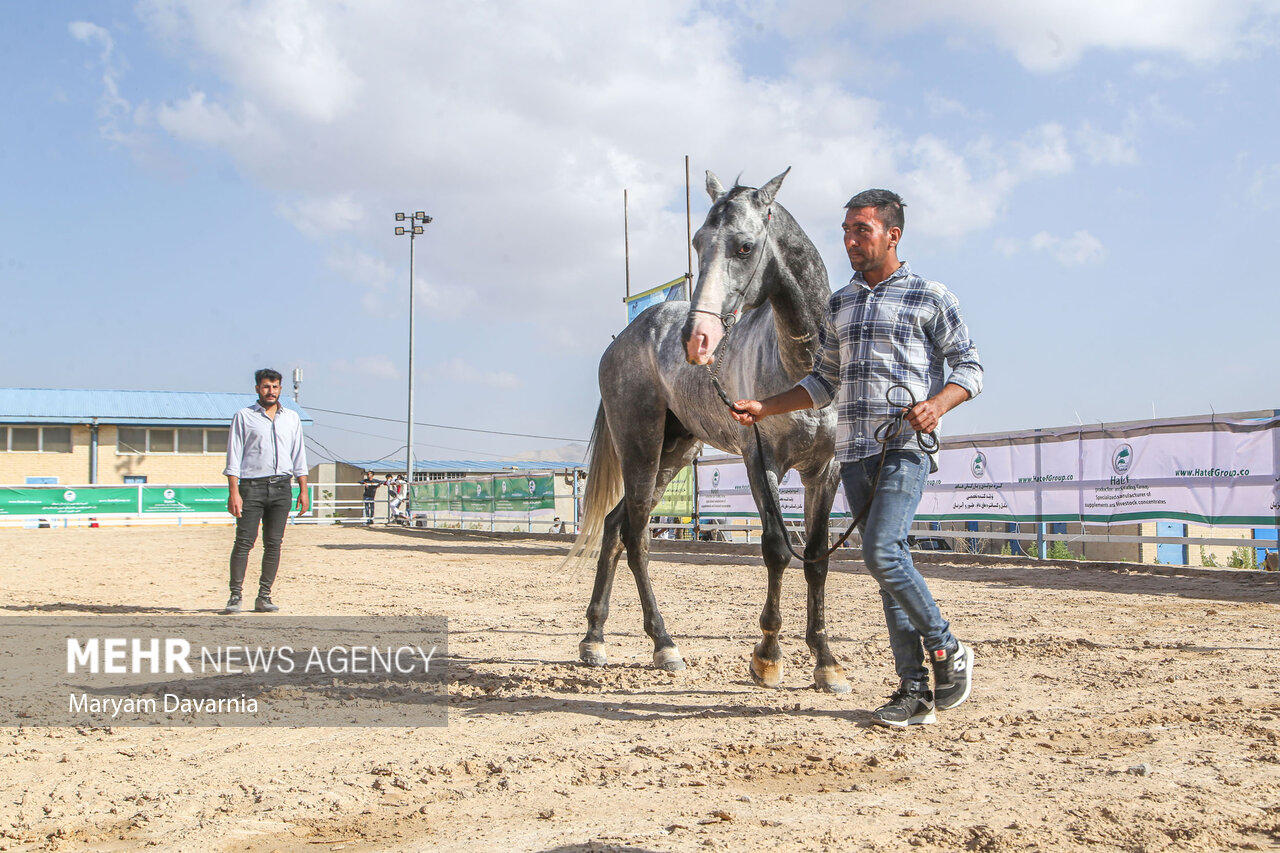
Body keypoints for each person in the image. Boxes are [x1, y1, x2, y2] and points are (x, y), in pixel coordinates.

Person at [729, 189, 983, 728]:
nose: (850, 240)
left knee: (882, 552)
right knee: (890, 571)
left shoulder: (930, 297)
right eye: (846, 230)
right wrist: (765, 406)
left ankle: (946, 647)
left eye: (861, 230)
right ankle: (914, 691)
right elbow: (823, 382)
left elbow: (970, 367)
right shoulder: (839, 305)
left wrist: (938, 404)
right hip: (854, 454)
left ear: (893, 235)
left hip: (904, 447)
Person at [223, 368, 309, 614]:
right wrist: (234, 492)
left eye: (275, 387)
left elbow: (299, 455)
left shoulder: (291, 418)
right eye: (266, 387)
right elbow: (233, 456)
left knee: (273, 543)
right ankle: (235, 596)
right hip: (252, 487)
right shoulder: (244, 416)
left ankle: (264, 596)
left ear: (280, 388)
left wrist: (303, 490)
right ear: (257, 389)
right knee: (244, 542)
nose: (271, 391)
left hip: (282, 487)